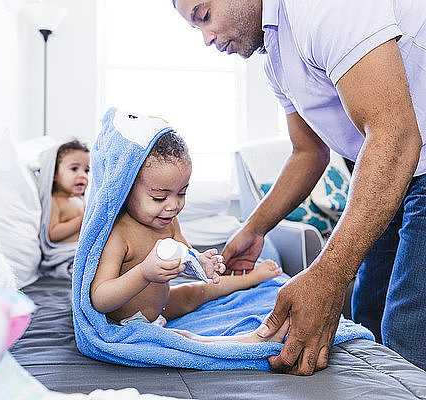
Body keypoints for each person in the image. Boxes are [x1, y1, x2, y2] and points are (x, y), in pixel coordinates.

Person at [172, 0, 426, 374]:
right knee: (367, 313)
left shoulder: (319, 7)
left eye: (205, 16)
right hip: (399, 170)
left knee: (405, 328)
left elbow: (398, 135)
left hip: (406, 154)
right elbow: (308, 152)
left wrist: (327, 275)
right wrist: (253, 229)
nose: (207, 39)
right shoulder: (275, 60)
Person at [90, 130, 287, 343]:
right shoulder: (119, 235)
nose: (173, 205)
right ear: (126, 190)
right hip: (125, 322)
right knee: (183, 338)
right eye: (159, 198)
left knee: (197, 291)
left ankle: (250, 279)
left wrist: (201, 262)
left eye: (181, 193)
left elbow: (187, 254)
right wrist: (144, 274)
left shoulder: (169, 222)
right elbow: (100, 298)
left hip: (159, 309)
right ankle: (245, 340)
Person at [48, 140, 90, 243]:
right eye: (74, 168)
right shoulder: (55, 201)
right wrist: (81, 220)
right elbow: (52, 234)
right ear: (54, 174)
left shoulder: (80, 199)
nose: (83, 175)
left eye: (86, 170)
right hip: (67, 253)